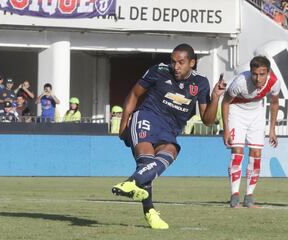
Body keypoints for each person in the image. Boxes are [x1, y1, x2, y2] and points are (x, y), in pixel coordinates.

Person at [111, 43, 225, 229]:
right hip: (147, 117)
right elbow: (134, 93)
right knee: (146, 162)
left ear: (192, 63)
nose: (176, 66)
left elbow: (208, 120)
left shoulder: (201, 83)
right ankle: (150, 212)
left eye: (181, 62)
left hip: (170, 129)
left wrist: (216, 97)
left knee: (170, 152)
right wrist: (124, 124)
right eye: (173, 62)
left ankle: (132, 184)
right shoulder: (158, 71)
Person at [222, 56, 280, 208]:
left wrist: (272, 129)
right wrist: (226, 129)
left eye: (262, 74)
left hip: (257, 114)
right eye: (255, 74)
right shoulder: (240, 81)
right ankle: (234, 195)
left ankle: (249, 196)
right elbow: (226, 102)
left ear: (268, 72)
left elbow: (274, 103)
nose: (258, 78)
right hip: (236, 112)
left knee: (256, 154)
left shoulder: (274, 82)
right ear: (250, 71)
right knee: (237, 151)